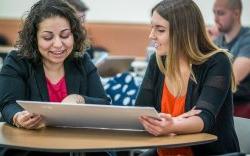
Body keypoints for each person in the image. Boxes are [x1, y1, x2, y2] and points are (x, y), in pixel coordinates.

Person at [0, 0, 110, 155]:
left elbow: (104, 104)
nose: (58, 44)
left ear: (74, 35)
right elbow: (8, 104)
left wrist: (80, 99)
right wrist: (19, 117)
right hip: (31, 149)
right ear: (34, 38)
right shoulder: (17, 61)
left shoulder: (81, 61)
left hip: (77, 148)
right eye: (47, 38)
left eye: (65, 35)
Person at [135, 0, 240, 155]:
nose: (152, 36)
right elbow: (141, 113)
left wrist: (172, 125)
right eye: (152, 28)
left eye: (160, 30)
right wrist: (179, 121)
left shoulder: (217, 62)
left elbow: (204, 120)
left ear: (183, 32)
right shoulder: (157, 62)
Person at [213, 0, 250, 104]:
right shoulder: (216, 40)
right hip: (220, 102)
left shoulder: (247, 39)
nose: (215, 19)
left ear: (236, 14)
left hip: (241, 107)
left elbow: (232, 79)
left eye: (221, 13)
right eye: (214, 13)